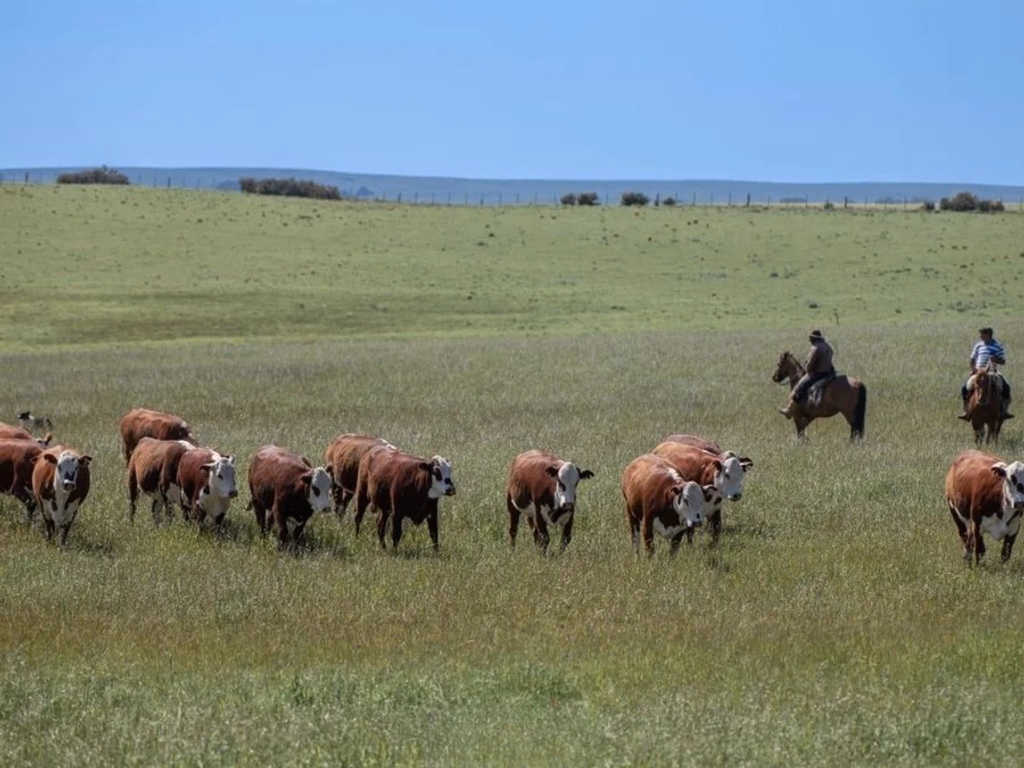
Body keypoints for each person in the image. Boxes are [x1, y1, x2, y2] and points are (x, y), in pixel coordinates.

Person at [779, 330, 836, 419]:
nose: (809, 340)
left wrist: (807, 369)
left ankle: (789, 410)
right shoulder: (828, 346)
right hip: (830, 373)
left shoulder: (815, 348)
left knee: (799, 386)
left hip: (818, 374)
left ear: (813, 339)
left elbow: (810, 363)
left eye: (810, 338)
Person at [959, 327, 1012, 420]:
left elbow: (1003, 361)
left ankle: (1004, 410)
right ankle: (967, 410)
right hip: (978, 372)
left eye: (982, 334)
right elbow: (972, 359)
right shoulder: (978, 345)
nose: (980, 336)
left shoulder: (997, 345)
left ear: (988, 334)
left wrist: (995, 359)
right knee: (965, 388)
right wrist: (974, 369)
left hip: (992, 372)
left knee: (1006, 387)